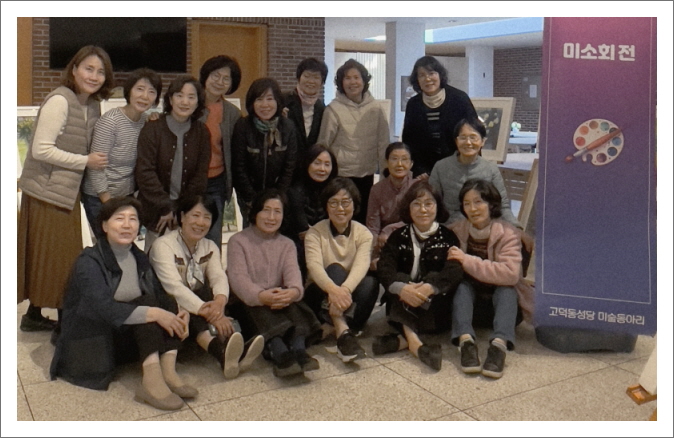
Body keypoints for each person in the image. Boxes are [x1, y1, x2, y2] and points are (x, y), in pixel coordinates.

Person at [50, 197, 193, 411]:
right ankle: (152, 382)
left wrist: (181, 312)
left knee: (161, 303)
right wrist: (155, 313)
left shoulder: (139, 257)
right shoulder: (88, 262)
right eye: (119, 219)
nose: (127, 225)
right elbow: (105, 309)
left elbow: (159, 295)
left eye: (133, 219)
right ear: (104, 226)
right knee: (150, 309)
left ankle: (168, 371)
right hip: (94, 342)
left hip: (122, 335)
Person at [18, 45, 113, 336]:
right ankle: (65, 323)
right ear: (74, 70)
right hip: (45, 191)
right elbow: (41, 149)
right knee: (59, 259)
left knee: (50, 257)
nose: (94, 76)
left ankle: (34, 316)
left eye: (100, 72)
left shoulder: (93, 104)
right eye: (88, 69)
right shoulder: (59, 100)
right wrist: (85, 161)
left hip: (66, 192)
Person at [149, 195, 264, 379]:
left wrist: (219, 303)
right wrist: (208, 311)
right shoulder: (163, 245)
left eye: (207, 217)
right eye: (195, 215)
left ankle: (230, 350)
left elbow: (218, 277)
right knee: (187, 299)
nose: (200, 222)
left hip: (198, 304)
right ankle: (224, 351)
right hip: (170, 307)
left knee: (217, 293)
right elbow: (173, 287)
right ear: (182, 216)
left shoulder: (209, 246)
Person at [227, 189, 322, 377]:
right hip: (247, 302)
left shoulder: (287, 244)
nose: (271, 217)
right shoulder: (237, 241)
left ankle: (299, 350)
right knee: (259, 309)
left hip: (277, 298)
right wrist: (261, 296)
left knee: (295, 304)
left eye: (277, 211)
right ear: (255, 212)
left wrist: (292, 292)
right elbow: (239, 280)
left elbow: (294, 276)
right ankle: (280, 354)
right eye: (266, 210)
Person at [374, 181, 464, 370]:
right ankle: (416, 345)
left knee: (432, 276)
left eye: (428, 204)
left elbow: (454, 270)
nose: (423, 210)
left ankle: (403, 340)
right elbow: (385, 267)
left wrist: (429, 287)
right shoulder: (397, 236)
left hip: (435, 307)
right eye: (416, 204)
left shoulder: (448, 237)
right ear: (408, 208)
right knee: (400, 279)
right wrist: (403, 289)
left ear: (437, 207)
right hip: (402, 301)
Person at [447, 179, 523, 379]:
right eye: (467, 203)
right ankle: (465, 343)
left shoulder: (508, 233)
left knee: (507, 290)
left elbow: (510, 274)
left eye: (478, 202)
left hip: (502, 308)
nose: (473, 209)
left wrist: (466, 260)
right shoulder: (457, 230)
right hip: (468, 306)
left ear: (491, 203)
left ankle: (499, 346)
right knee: (462, 286)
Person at [303, 177, 379, 362]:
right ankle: (343, 332)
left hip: (346, 297)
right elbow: (314, 267)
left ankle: (329, 328)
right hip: (319, 296)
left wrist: (343, 290)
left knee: (371, 283)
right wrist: (334, 290)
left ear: (354, 205)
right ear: (326, 206)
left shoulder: (363, 233)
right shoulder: (315, 233)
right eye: (334, 203)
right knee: (335, 270)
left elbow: (361, 266)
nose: (340, 208)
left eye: (345, 202)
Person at [82, 68, 162, 238]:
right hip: (100, 197)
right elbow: (95, 167)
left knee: (123, 244)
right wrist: (108, 202)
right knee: (107, 246)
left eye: (151, 92)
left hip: (126, 196)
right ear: (129, 91)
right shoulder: (110, 121)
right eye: (139, 89)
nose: (145, 96)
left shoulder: (146, 121)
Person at [135, 75, 211, 252]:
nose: (185, 102)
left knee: (185, 257)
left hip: (186, 211)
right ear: (170, 99)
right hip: (156, 210)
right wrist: (166, 207)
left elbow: (200, 176)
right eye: (179, 95)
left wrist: (180, 211)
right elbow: (145, 172)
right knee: (155, 256)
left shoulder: (202, 132)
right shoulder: (152, 128)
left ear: (198, 102)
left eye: (191, 97)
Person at [318, 58, 389, 224]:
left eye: (356, 77)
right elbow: (323, 145)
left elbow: (383, 144)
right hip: (341, 175)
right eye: (347, 78)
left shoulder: (376, 108)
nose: (352, 82)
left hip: (367, 174)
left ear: (364, 81)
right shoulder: (333, 109)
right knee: (340, 218)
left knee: (363, 220)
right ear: (341, 82)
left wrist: (385, 176)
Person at [429, 118, 521, 228]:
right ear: (456, 141)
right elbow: (432, 201)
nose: (468, 142)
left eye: (473, 137)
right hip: (450, 227)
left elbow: (503, 206)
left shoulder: (491, 169)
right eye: (463, 138)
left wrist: (516, 227)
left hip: (484, 227)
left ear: (483, 141)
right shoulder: (441, 167)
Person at [232, 77, 298, 227]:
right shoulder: (242, 126)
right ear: (252, 102)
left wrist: (278, 196)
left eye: (270, 99)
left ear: (278, 101)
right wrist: (252, 199)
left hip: (277, 195)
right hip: (249, 196)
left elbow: (289, 167)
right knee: (251, 233)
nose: (265, 105)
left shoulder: (288, 127)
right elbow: (238, 167)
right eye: (259, 99)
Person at [402, 55, 477, 178]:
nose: (427, 79)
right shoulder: (413, 104)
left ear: (440, 75)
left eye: (431, 73)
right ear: (417, 80)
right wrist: (418, 169)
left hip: (459, 167)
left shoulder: (459, 99)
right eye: (422, 75)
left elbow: (475, 132)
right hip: (425, 171)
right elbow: (409, 140)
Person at [198, 55, 243, 247]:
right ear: (206, 76)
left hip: (217, 182)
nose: (219, 82)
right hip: (190, 180)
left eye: (226, 78)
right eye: (216, 75)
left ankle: (211, 267)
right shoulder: (190, 103)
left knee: (213, 236)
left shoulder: (232, 113)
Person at [285, 144, 339, 280]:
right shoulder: (294, 191)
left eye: (327, 164)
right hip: (299, 245)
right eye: (317, 163)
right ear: (307, 164)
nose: (322, 169)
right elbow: (303, 231)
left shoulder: (337, 191)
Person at [366, 142, 421, 267]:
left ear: (411, 164)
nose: (399, 164)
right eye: (394, 159)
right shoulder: (377, 189)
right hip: (383, 242)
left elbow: (416, 220)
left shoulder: (417, 187)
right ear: (386, 162)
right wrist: (374, 252)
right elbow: (372, 226)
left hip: (411, 238)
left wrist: (389, 230)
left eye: (404, 159)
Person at [283, 57, 329, 174]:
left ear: (322, 82)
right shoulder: (283, 101)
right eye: (307, 76)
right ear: (299, 77)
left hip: (311, 170)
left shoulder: (322, 108)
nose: (311, 81)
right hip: (286, 167)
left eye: (316, 77)